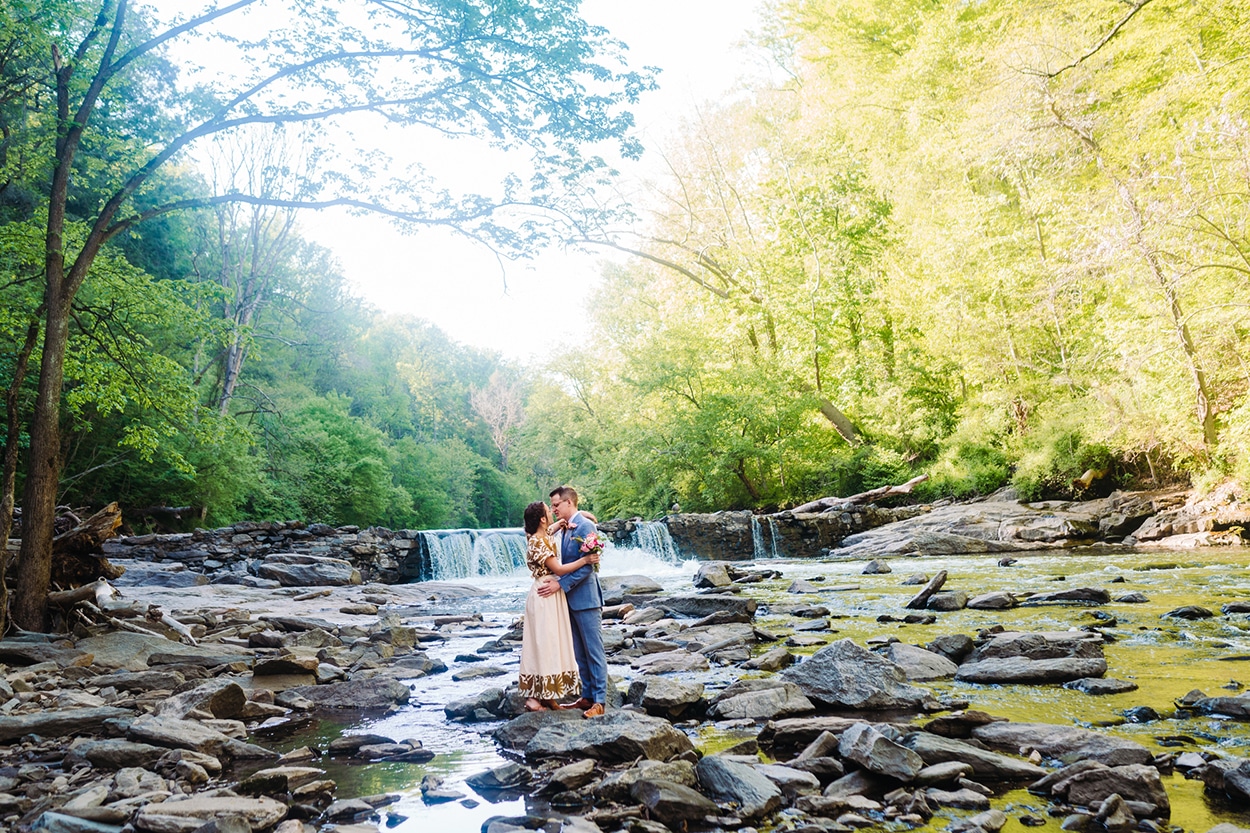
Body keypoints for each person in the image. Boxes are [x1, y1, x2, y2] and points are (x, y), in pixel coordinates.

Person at [518, 500, 599, 712]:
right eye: (548, 511)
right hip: (545, 594)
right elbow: (559, 569)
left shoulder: (541, 534)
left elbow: (552, 528)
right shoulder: (537, 541)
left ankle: (546, 696)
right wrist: (585, 560)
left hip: (550, 594)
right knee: (543, 644)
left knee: (548, 643)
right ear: (542, 519)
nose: (552, 513)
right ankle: (535, 698)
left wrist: (576, 516)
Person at [538, 485, 608, 718]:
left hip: (586, 599)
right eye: (552, 506)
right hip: (571, 600)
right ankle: (586, 696)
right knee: (580, 652)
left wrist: (560, 584)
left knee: (594, 651)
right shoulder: (567, 527)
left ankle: (599, 701)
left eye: (556, 505)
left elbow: (589, 566)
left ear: (569, 502)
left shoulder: (586, 526)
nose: (554, 510)